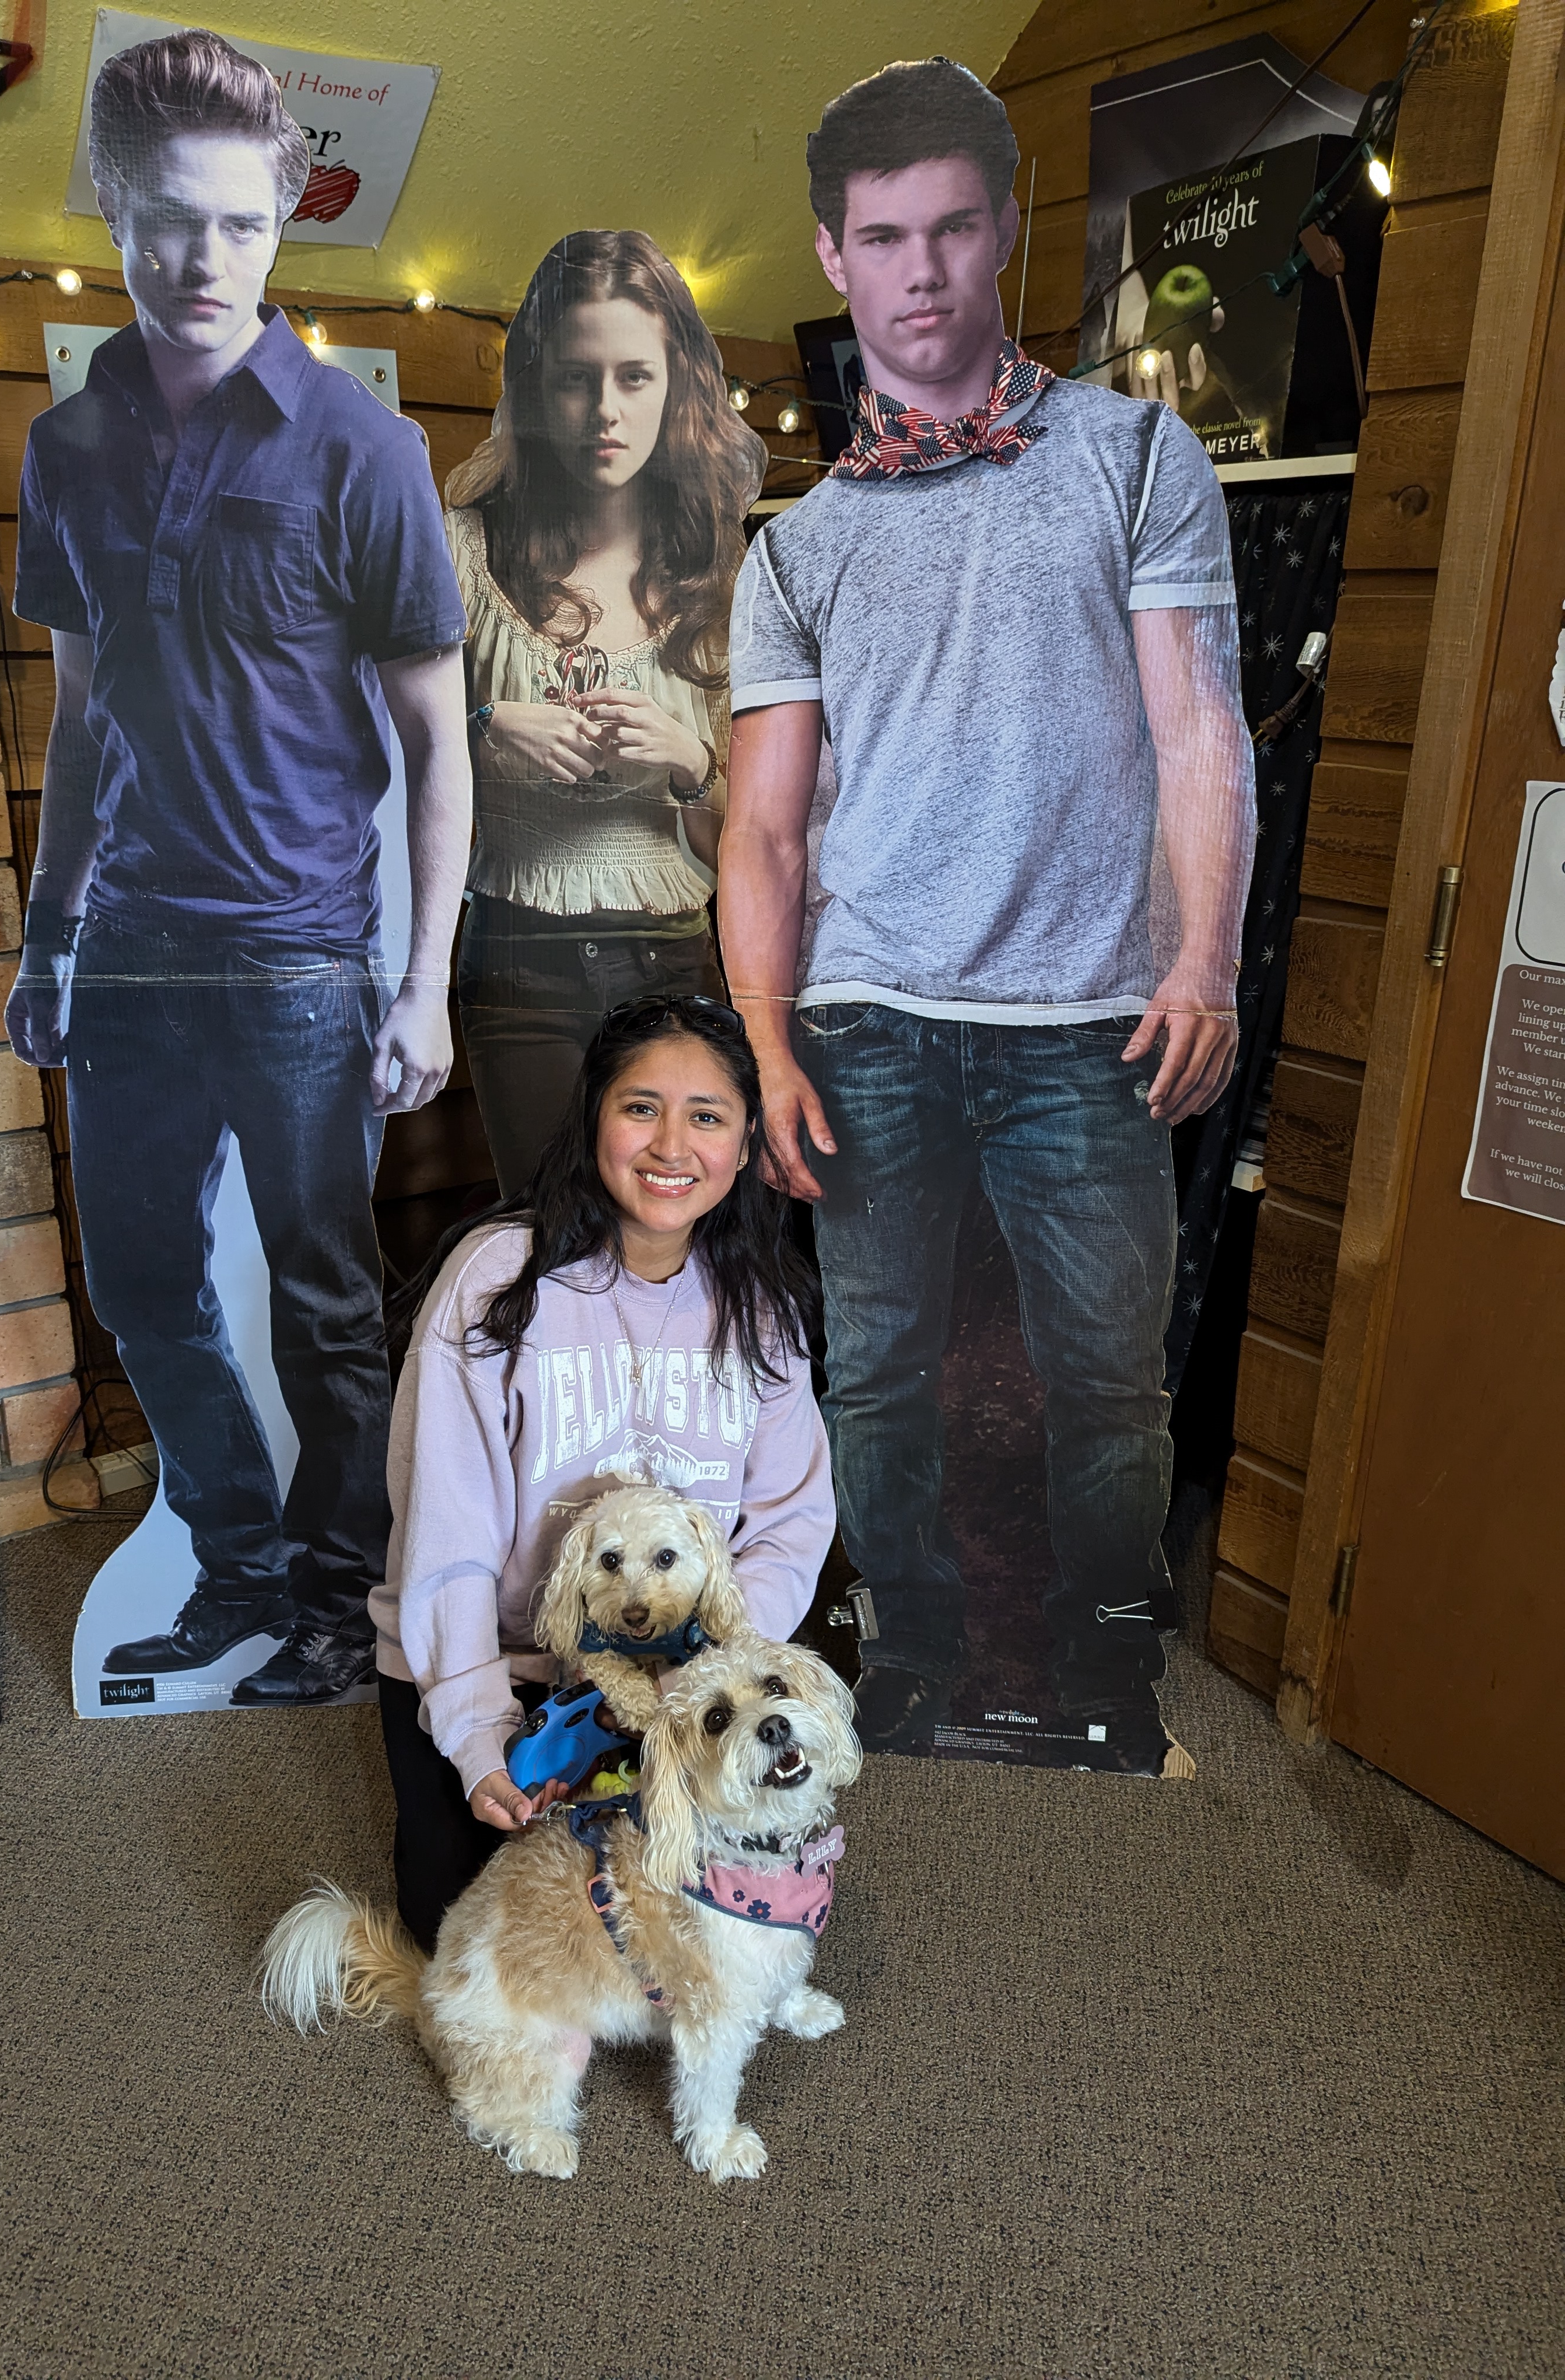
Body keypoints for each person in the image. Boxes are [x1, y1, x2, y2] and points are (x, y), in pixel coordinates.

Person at [719, 59, 1254, 1760]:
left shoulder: (1137, 455)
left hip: (1095, 1021)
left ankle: (1103, 1670)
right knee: (879, 1377)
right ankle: (925, 1661)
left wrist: (1209, 955)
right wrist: (760, 1038)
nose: (925, 269)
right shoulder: (795, 551)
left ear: (1008, 230)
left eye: (956, 227)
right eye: (887, 237)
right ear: (835, 256)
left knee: (1105, 1378)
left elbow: (1197, 730)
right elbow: (764, 833)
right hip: (867, 1023)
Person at [5, 30, 472, 1706]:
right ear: (117, 211)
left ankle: (342, 1600)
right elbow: (73, 725)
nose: (202, 262)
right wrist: (45, 935)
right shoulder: (66, 454)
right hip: (125, 951)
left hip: (298, 958)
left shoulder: (364, 450)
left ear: (282, 225)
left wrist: (421, 980)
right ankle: (239, 1563)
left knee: (326, 1305)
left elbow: (438, 742)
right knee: (142, 1287)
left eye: (241, 226)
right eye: (167, 224)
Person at [369, 993, 834, 1950]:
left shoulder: (764, 1311)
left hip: (684, 1673)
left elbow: (790, 1522)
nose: (672, 1145)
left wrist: (711, 1685)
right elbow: (443, 1532)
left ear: (744, 1147)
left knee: (697, 1928)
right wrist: (472, 1730)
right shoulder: (498, 1282)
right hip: (500, 1660)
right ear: (595, 1122)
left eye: (707, 1117)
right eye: (641, 1108)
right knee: (463, 1931)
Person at [443, 231, 764, 1195]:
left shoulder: (727, 575)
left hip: (674, 966)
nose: (605, 413)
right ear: (537, 388)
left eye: (634, 377)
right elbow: (372, 754)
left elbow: (754, 846)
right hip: (516, 959)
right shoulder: (462, 549)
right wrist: (485, 724)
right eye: (578, 379)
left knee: (673, 1243)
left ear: (677, 388)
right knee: (547, 1235)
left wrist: (689, 762)